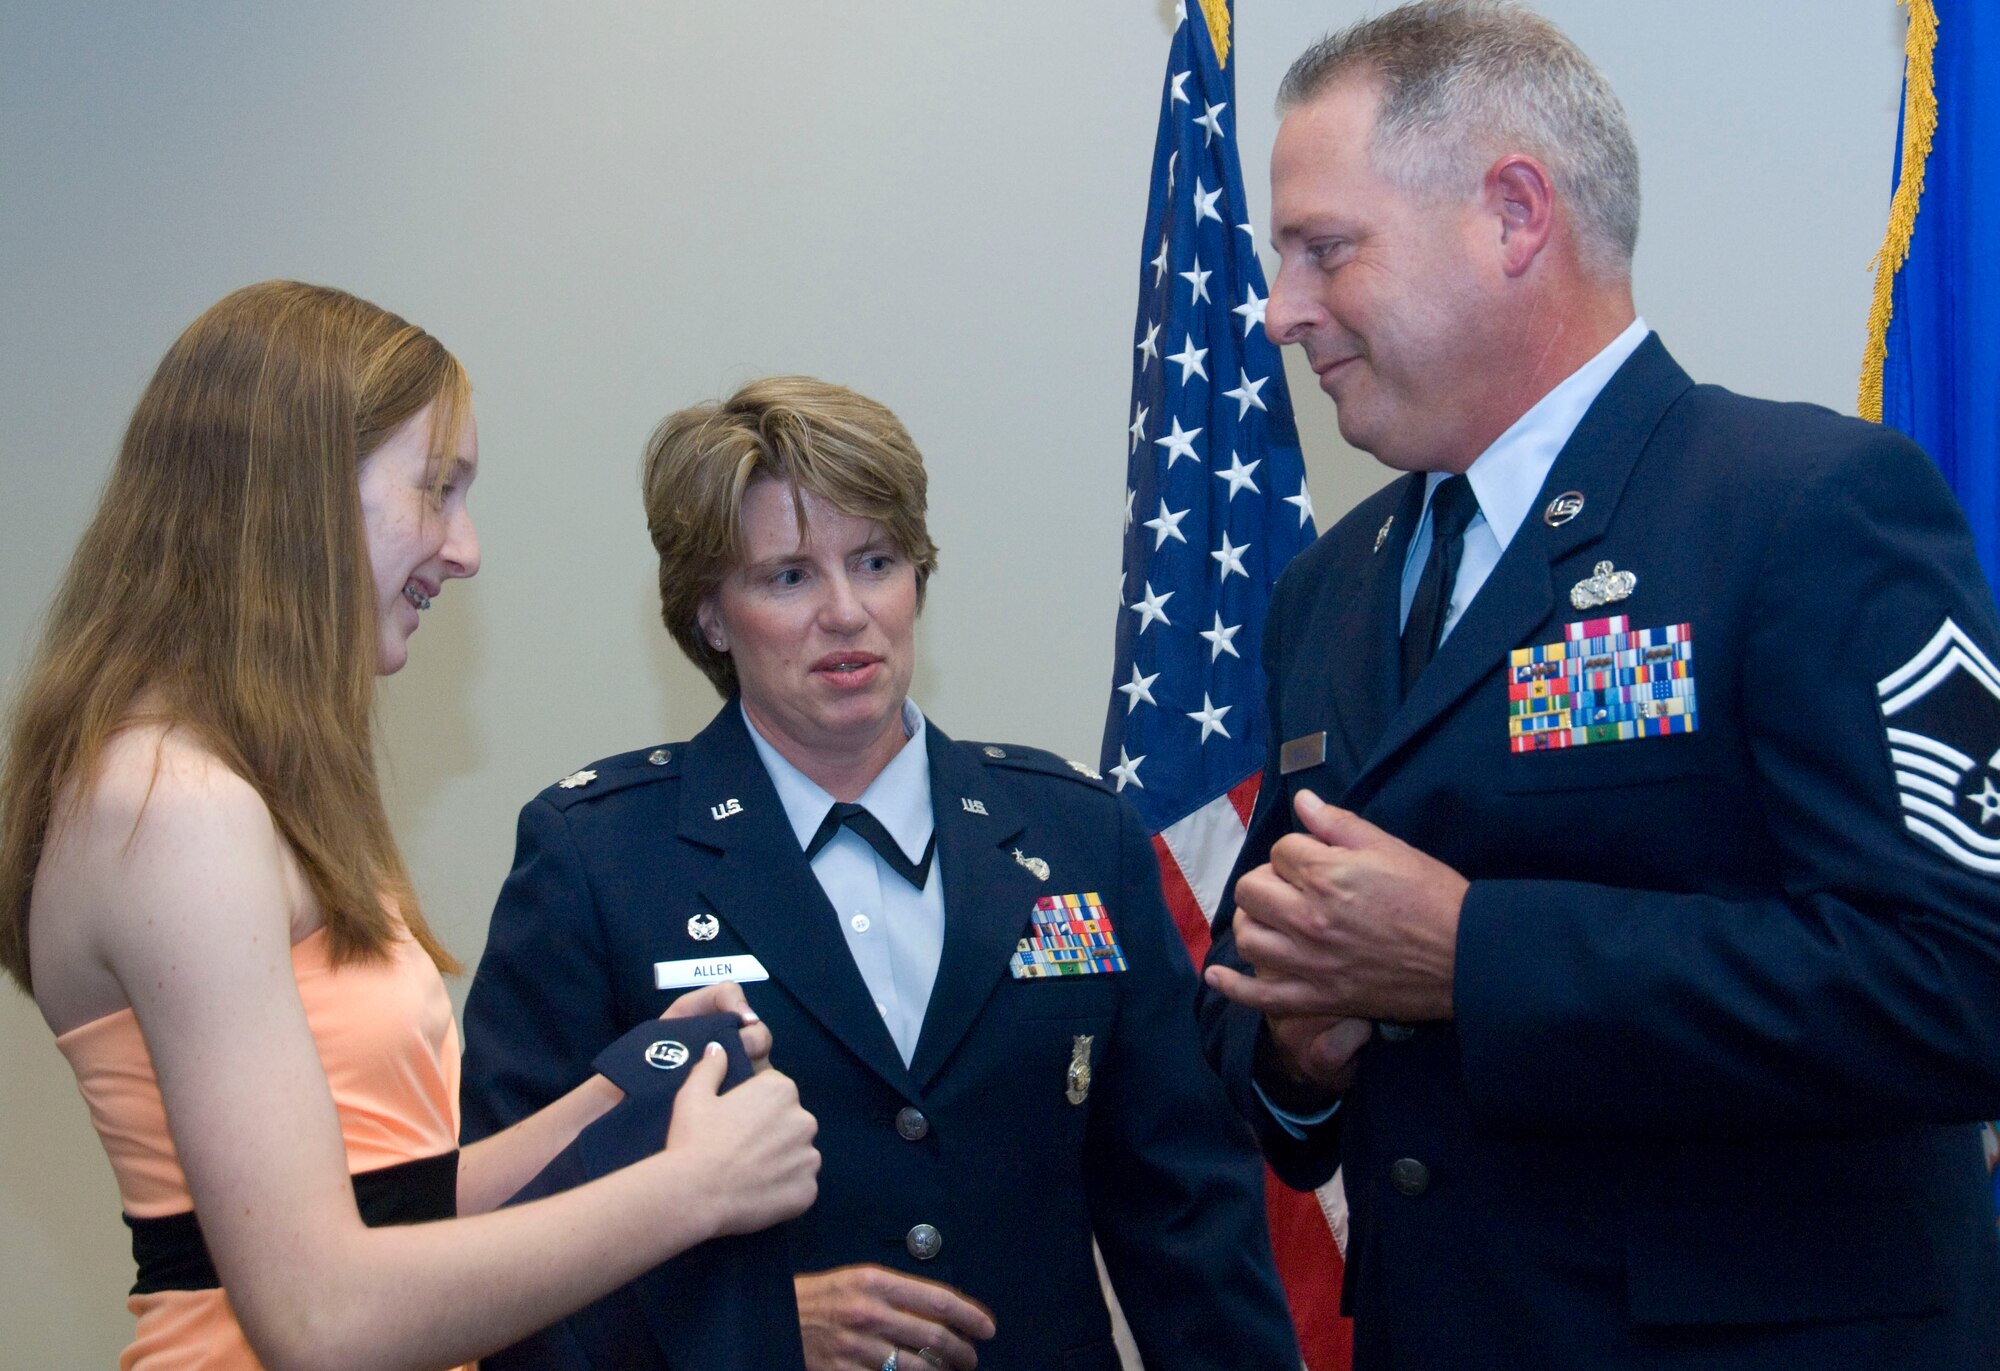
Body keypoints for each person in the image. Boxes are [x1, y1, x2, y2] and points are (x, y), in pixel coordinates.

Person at [1195, 2, 2000, 1367]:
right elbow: (1264, 1000)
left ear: (1515, 216)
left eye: (1326, 250)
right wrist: (1298, 1050)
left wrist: (1473, 953)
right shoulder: (1327, 588)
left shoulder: (1806, 508)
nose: (1279, 311)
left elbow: (1957, 979)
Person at [0, 281, 821, 1371]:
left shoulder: (230, 792)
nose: (466, 547)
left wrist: (617, 1096)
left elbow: (394, 1204)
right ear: (297, 489)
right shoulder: (176, 812)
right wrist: (693, 1191)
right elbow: (323, 1319)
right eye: (437, 490)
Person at [460, 375, 1301, 1371]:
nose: (846, 612)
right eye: (787, 578)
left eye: (876, 562)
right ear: (710, 619)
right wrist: (751, 1327)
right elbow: (503, 1253)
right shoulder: (598, 860)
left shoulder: (1076, 835)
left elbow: (1189, 1222)